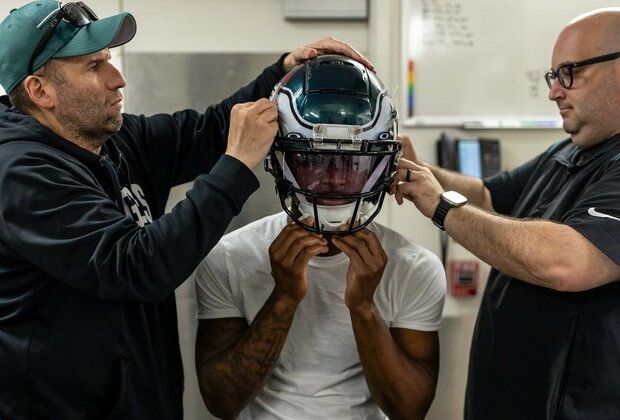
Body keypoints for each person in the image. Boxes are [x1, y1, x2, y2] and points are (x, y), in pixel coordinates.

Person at [0, 1, 373, 418]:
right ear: (40, 91)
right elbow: (137, 265)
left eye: (109, 60)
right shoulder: (21, 175)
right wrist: (236, 167)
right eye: (93, 67)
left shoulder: (109, 139)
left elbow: (209, 130)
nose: (117, 79)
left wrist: (282, 71)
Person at [394, 8, 620, 420]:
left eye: (569, 72)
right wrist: (418, 169)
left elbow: (568, 262)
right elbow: (486, 196)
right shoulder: (569, 151)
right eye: (553, 76)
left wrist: (439, 205)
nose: (554, 91)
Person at [194, 55, 446, 420]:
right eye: (313, 162)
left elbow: (409, 410)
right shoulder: (229, 258)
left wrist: (363, 307)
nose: (334, 179)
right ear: (281, 162)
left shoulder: (414, 267)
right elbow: (221, 402)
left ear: (382, 167)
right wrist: (283, 298)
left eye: (353, 164)